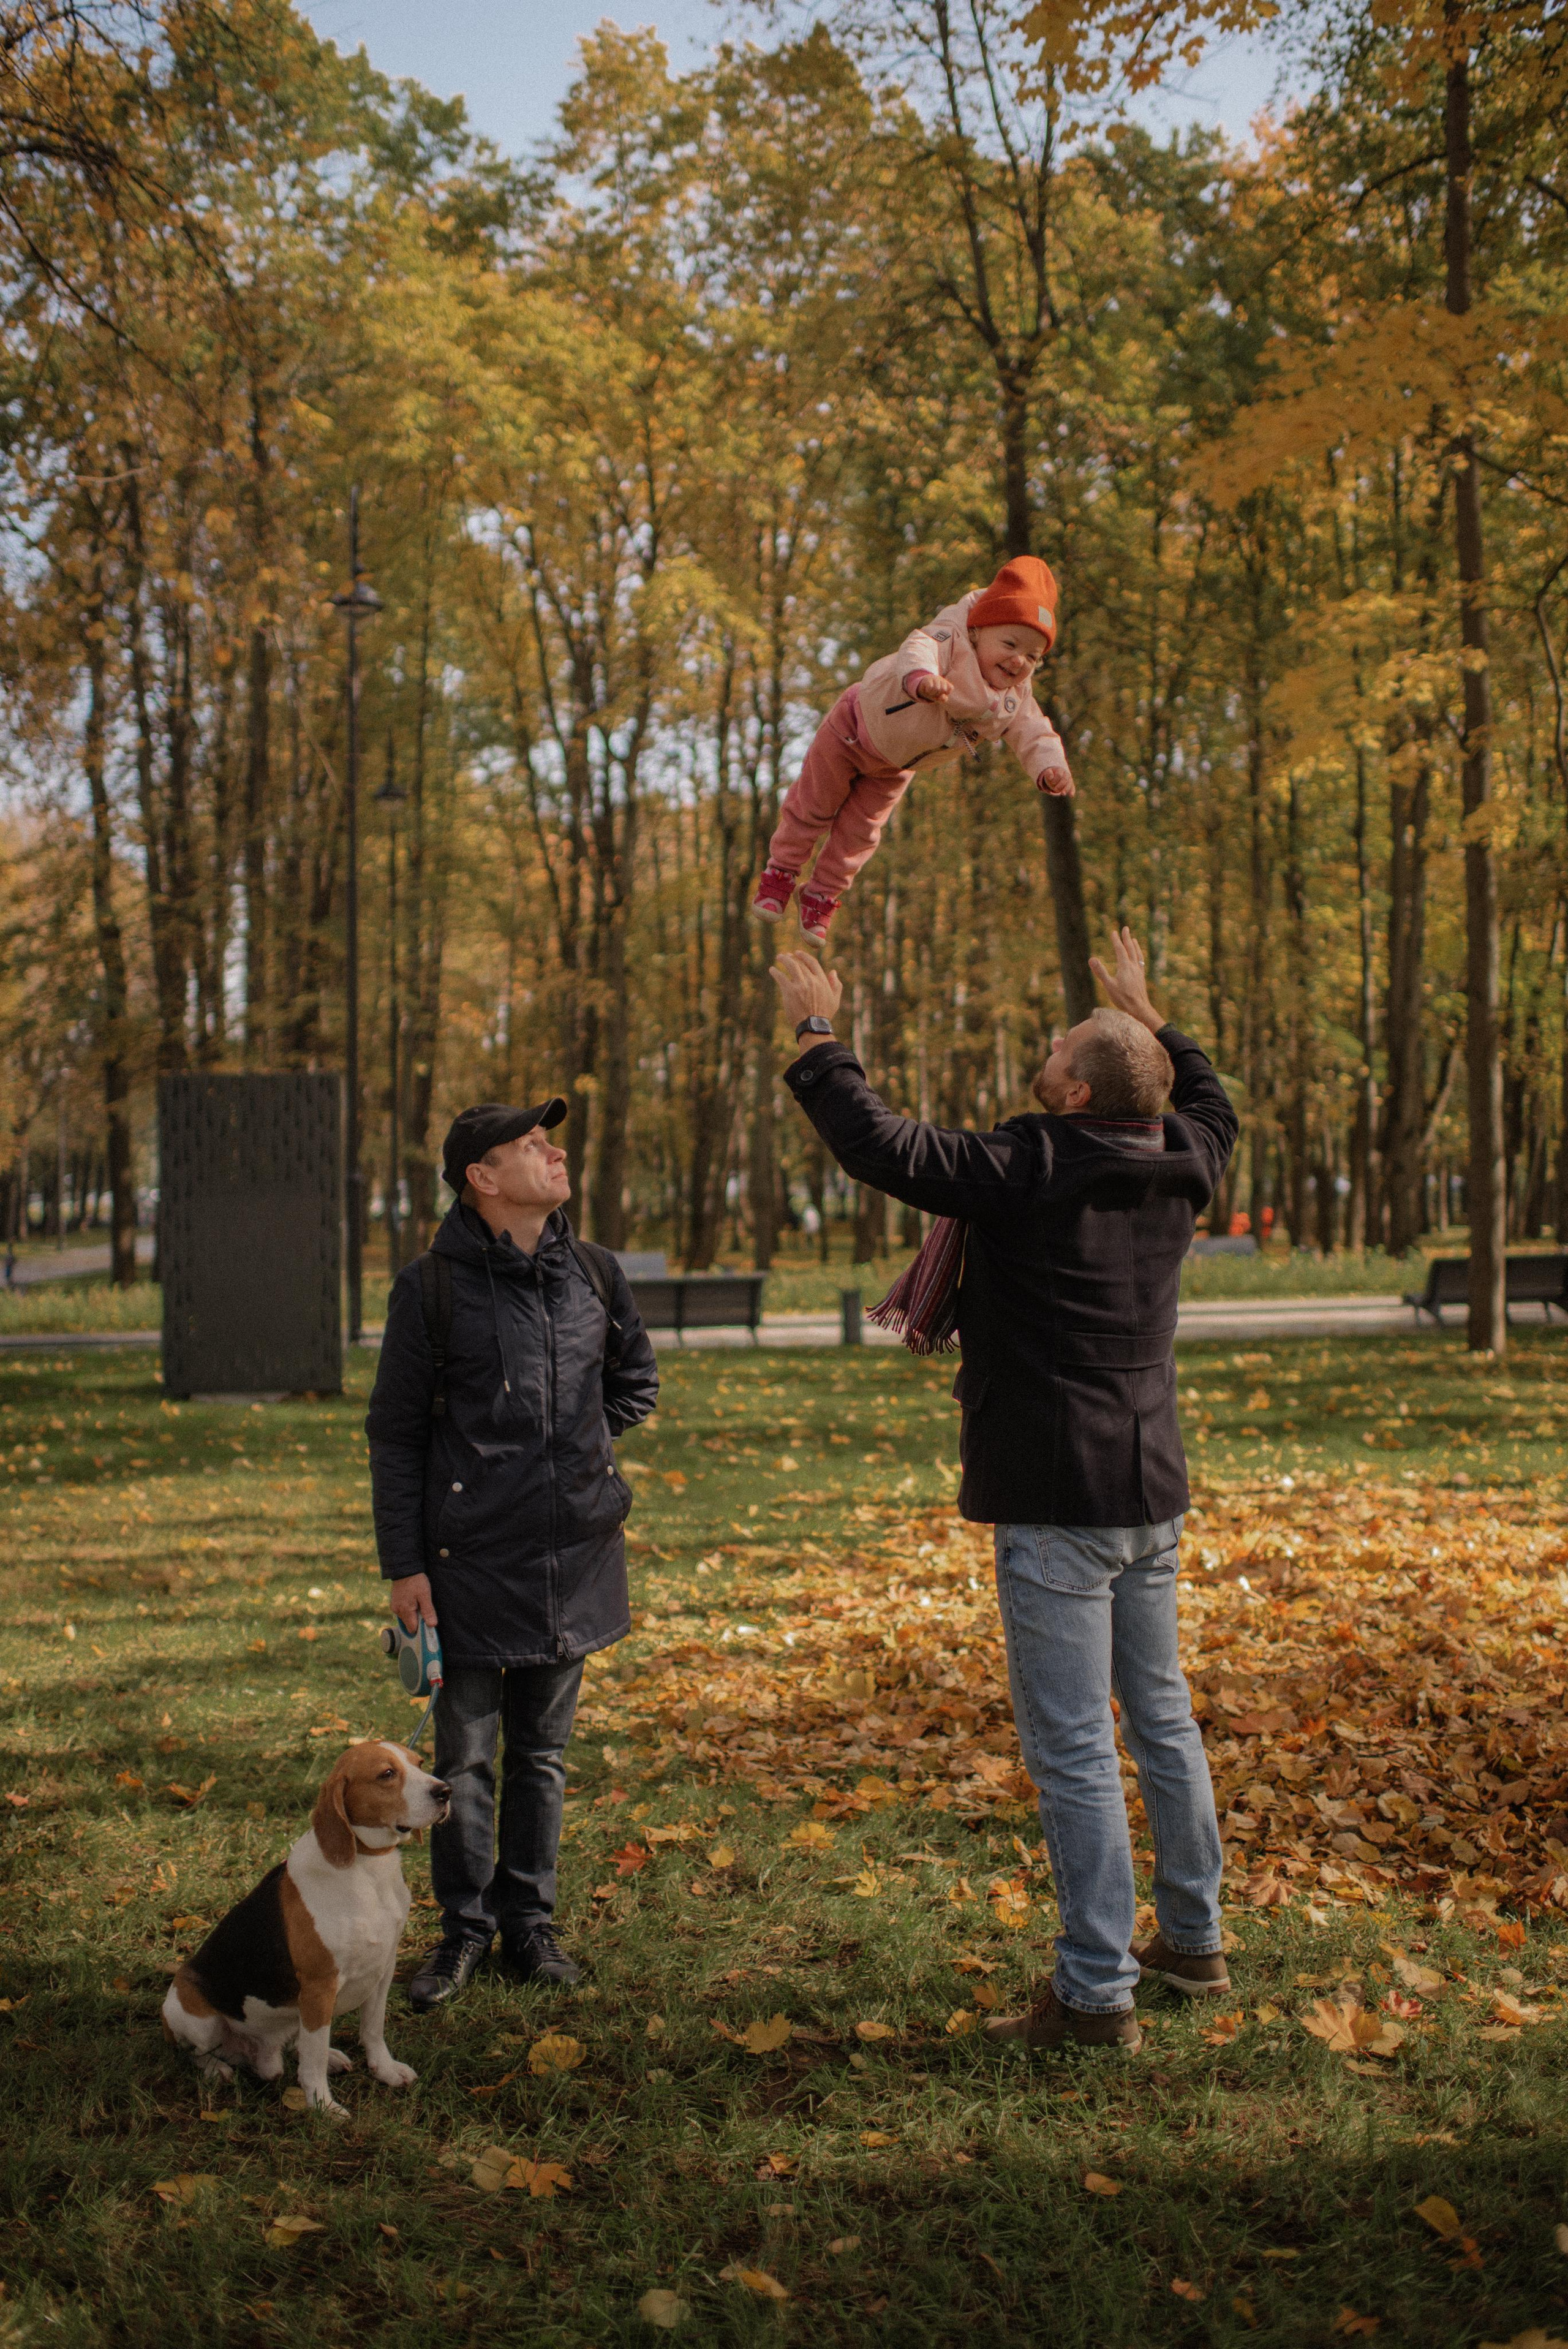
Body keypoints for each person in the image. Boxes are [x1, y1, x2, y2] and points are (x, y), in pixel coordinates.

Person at [769, 931, 1238, 2052]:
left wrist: (818, 1030)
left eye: (1065, 1041)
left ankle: (1092, 1994)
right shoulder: (1189, 1156)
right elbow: (1209, 1095)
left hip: (1058, 1495)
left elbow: (879, 1144)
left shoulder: (1033, 1165)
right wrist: (1151, 1015)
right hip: (1151, 1486)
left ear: (1075, 1089)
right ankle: (1195, 1939)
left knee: (1075, 1743)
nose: (1049, 1042)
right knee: (1163, 1718)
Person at [365, 1099, 658, 2011]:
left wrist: (574, 1456)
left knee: (543, 1755)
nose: (555, 1150)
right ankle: (464, 1928)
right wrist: (404, 1565)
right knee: (464, 1758)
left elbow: (634, 1382)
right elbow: (395, 1433)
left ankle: (530, 1920)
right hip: (466, 1563)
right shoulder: (432, 1288)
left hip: (573, 1556)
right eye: (531, 1145)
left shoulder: (597, 1274)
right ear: (482, 1179)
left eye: (552, 1140)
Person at [751, 556, 1074, 945]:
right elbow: (917, 648)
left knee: (861, 833)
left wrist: (1051, 767)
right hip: (852, 728)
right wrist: (921, 680)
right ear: (978, 632)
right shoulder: (950, 639)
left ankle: (822, 893)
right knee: (815, 804)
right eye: (1010, 644)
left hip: (894, 766)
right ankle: (781, 872)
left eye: (1033, 657)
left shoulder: (1013, 699)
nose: (1018, 661)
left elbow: (1036, 733)